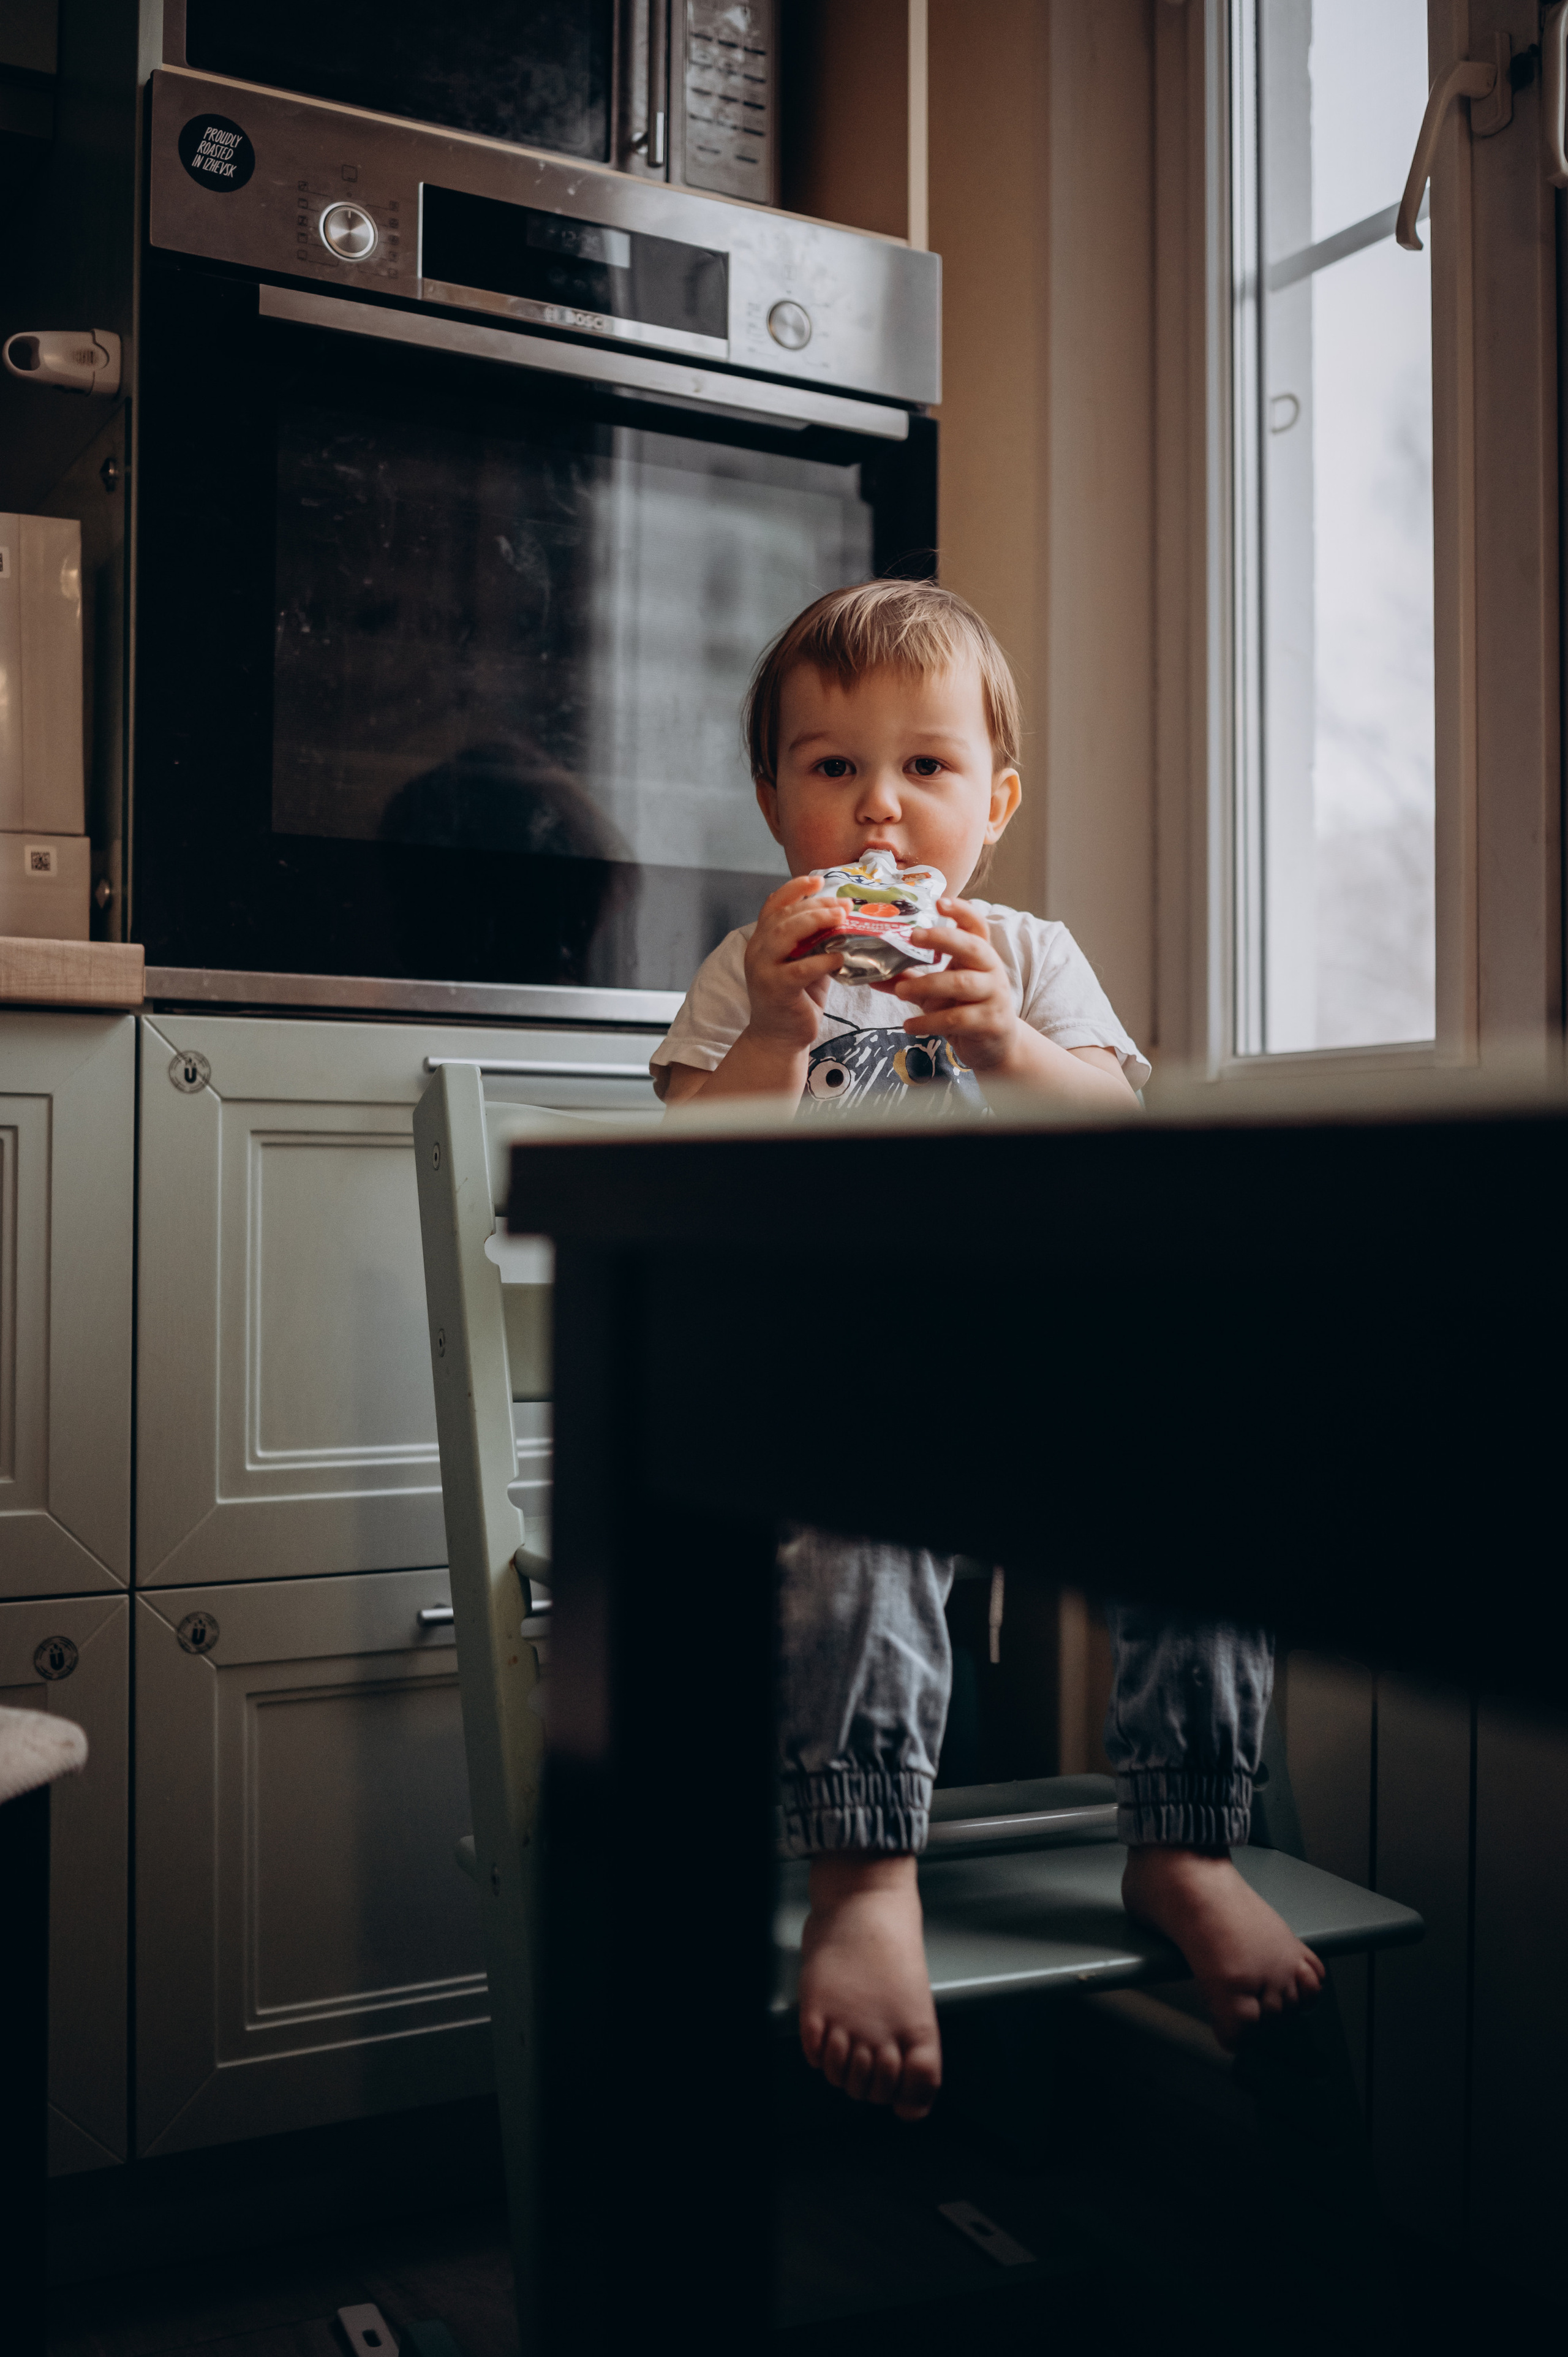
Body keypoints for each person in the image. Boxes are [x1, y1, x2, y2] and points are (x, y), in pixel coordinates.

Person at [649, 579, 1324, 2122]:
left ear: (994, 804)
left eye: (925, 767)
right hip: (832, 1388)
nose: (878, 808)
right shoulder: (750, 971)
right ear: (773, 802)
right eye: (832, 767)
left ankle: (1183, 1841)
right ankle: (864, 1871)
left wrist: (1003, 1040)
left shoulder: (1028, 953)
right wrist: (779, 1032)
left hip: (1037, 1390)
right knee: (858, 1510)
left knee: (1207, 1486)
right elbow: (687, 1175)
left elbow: (1118, 1139)